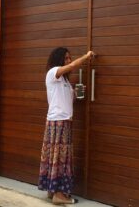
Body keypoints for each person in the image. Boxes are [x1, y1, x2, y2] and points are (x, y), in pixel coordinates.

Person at [38, 48, 94, 205]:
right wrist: (86, 56)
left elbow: (67, 100)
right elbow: (70, 67)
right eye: (66, 58)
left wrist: (76, 93)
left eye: (70, 58)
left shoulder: (65, 81)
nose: (69, 61)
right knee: (60, 158)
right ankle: (59, 195)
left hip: (64, 122)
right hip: (58, 122)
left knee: (57, 157)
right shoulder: (53, 72)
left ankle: (52, 191)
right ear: (58, 59)